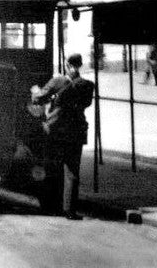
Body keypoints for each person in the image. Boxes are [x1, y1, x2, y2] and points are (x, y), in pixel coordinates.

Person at [32, 53, 96, 220]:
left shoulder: (57, 81)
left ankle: (50, 207)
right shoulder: (88, 85)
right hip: (76, 132)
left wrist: (35, 91)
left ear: (67, 65)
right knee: (72, 171)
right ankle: (70, 210)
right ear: (80, 65)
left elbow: (38, 98)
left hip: (56, 131)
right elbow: (86, 104)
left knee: (52, 168)